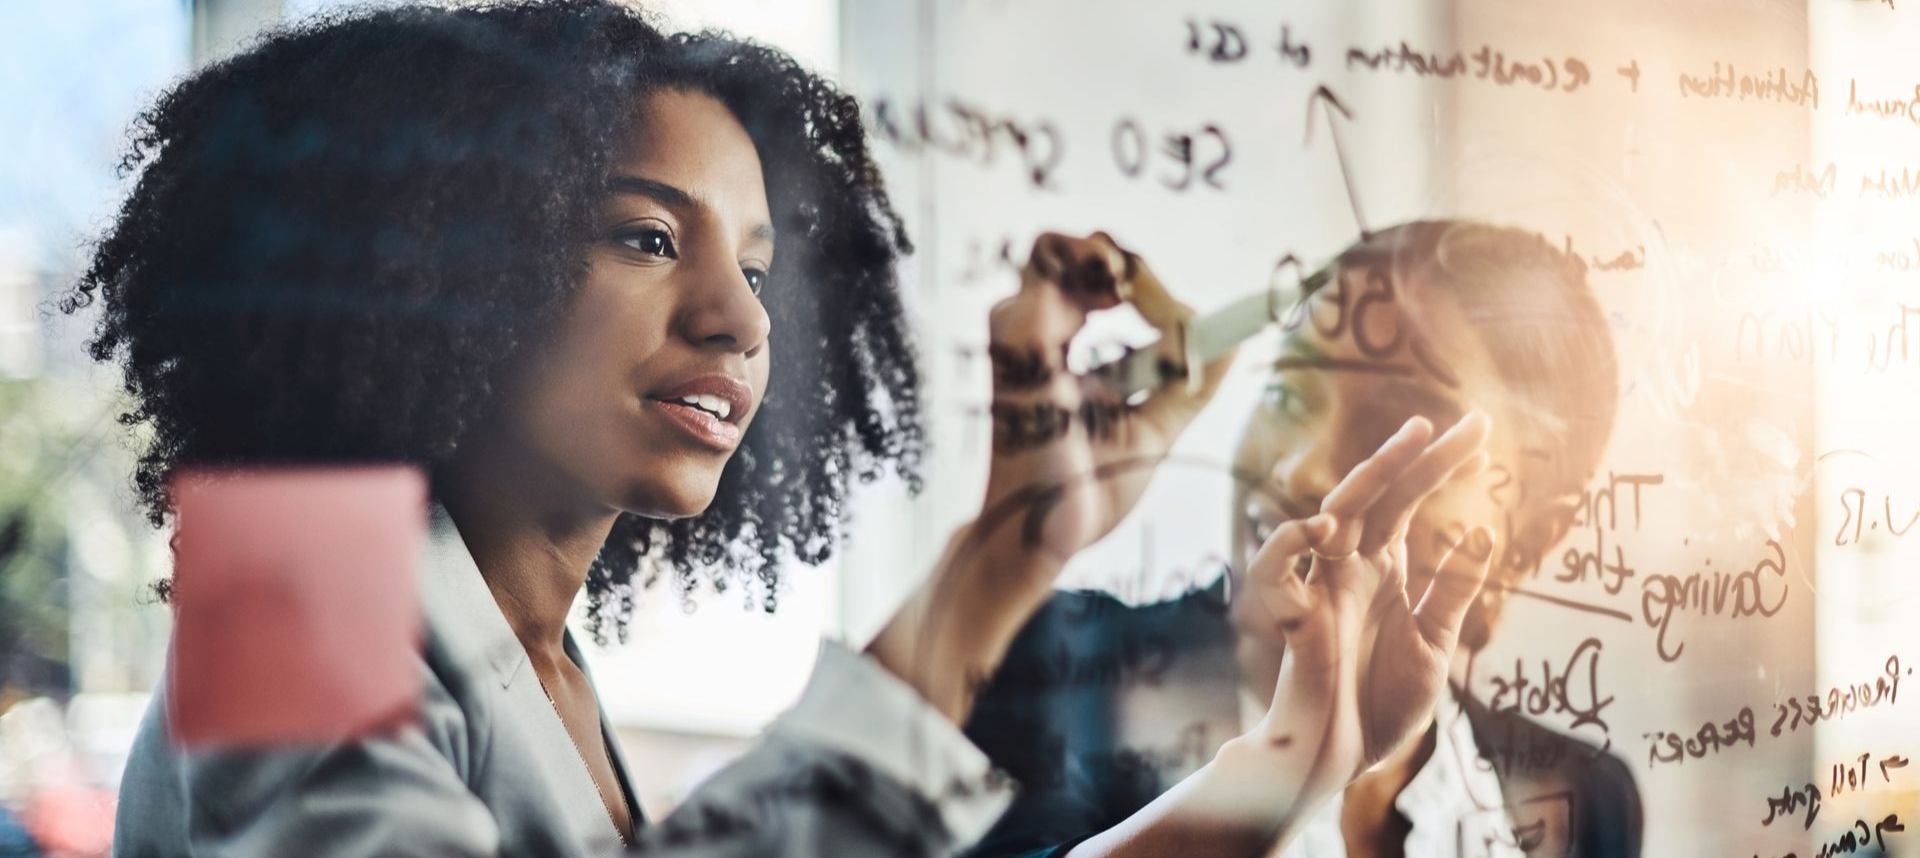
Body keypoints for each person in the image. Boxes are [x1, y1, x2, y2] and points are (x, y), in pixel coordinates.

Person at [67, 3, 1495, 856]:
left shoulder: (541, 666)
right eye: (644, 237)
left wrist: (1294, 749)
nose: (741, 324)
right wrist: (1010, 569)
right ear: (435, 265)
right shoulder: (292, 590)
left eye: (755, 268)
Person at [964, 221, 1643, 858]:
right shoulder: (1038, 665)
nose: (1297, 466)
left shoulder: (1581, 800)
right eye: (1287, 399)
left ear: (1526, 540)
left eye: (1398, 427)